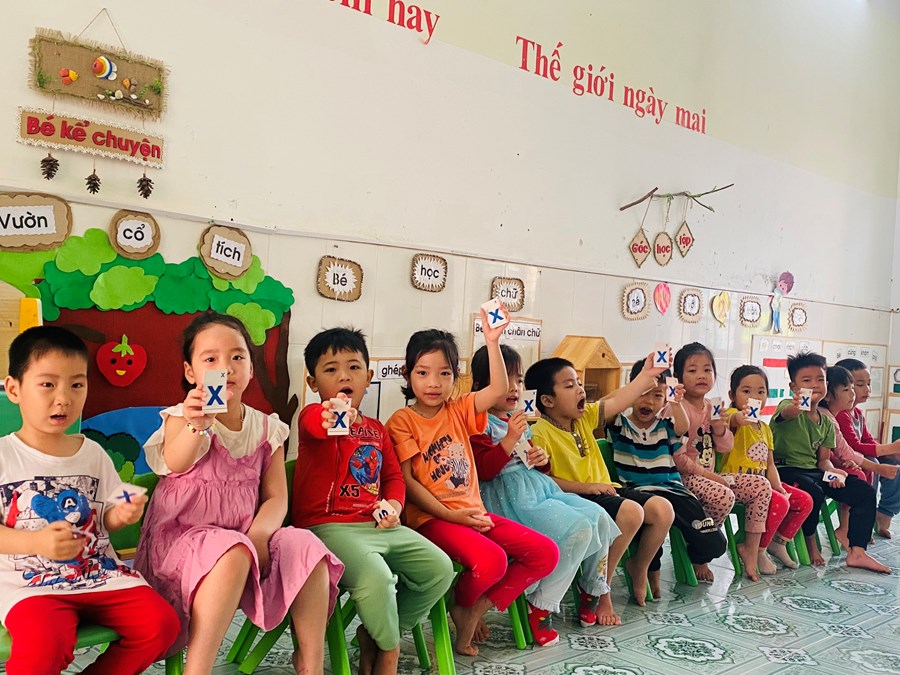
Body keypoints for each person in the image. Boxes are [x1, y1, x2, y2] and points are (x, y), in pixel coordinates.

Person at [135, 313, 343, 675]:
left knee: (306, 546)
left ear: (250, 368)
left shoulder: (267, 427)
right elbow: (174, 461)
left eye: (237, 357)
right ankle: (197, 670)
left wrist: (259, 534)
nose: (226, 367)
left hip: (246, 539)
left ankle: (310, 665)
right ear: (190, 372)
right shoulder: (181, 418)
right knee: (232, 551)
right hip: (182, 545)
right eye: (210, 359)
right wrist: (196, 426)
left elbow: (276, 496)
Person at [0, 326, 179, 675]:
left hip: (101, 574)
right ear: (14, 389)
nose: (63, 398)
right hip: (29, 586)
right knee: (43, 647)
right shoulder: (4, 455)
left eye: (76, 385)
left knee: (162, 625)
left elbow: (111, 506)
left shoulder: (92, 452)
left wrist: (122, 512)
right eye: (48, 384)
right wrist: (35, 542)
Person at [386, 309, 558, 657]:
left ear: (456, 376)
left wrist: (492, 341)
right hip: (432, 519)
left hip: (473, 513)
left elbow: (497, 389)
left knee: (545, 553)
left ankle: (472, 608)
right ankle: (460, 605)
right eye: (423, 373)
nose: (434, 383)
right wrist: (451, 516)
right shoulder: (402, 420)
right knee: (493, 560)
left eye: (444, 373)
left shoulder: (458, 409)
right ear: (407, 374)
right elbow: (407, 483)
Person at [294, 327, 453, 674]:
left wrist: (394, 507)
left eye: (353, 368)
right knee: (377, 578)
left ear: (368, 377)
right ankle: (390, 651)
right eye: (331, 369)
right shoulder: (311, 416)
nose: (344, 376)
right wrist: (332, 416)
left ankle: (376, 636)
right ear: (312, 382)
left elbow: (393, 478)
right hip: (326, 528)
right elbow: (317, 425)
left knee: (439, 569)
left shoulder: (377, 430)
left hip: (378, 525)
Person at [469, 344, 621, 641]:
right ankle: (540, 603)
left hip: (538, 488)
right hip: (510, 498)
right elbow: (485, 470)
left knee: (600, 517)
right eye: (505, 380)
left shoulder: (515, 418)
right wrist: (510, 439)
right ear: (482, 385)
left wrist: (541, 460)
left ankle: (591, 587)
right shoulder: (479, 422)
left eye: (518, 380)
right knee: (578, 528)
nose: (514, 388)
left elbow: (534, 465)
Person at [525, 354, 675, 606]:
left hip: (606, 491)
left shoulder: (584, 418)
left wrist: (646, 375)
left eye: (579, 382)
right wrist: (587, 487)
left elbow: (619, 400)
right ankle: (599, 587)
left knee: (663, 510)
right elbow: (545, 482)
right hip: (576, 499)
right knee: (632, 513)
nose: (580, 389)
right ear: (548, 400)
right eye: (569, 385)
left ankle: (638, 566)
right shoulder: (539, 433)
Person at [608, 362, 726, 589]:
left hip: (675, 491)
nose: (649, 401)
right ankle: (648, 568)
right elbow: (605, 406)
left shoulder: (665, 425)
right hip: (640, 493)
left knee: (715, 543)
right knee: (652, 522)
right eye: (643, 393)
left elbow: (683, 426)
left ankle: (694, 557)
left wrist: (676, 402)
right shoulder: (619, 424)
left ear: (665, 401)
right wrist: (635, 386)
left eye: (657, 395)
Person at [771, 352, 888, 573]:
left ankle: (857, 551)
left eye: (820, 379)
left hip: (814, 471)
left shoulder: (825, 421)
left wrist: (836, 474)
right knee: (813, 492)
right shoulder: (788, 406)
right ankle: (811, 543)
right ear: (793, 386)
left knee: (863, 491)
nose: (815, 384)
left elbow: (823, 461)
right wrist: (799, 405)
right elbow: (787, 414)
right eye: (807, 380)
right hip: (785, 470)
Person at [672, 342, 765, 582]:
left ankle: (750, 550)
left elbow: (725, 447)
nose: (701, 375)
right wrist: (711, 477)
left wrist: (720, 428)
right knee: (723, 495)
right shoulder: (678, 408)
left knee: (761, 487)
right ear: (678, 377)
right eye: (692, 370)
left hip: (711, 477)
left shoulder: (712, 406)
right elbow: (678, 458)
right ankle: (700, 552)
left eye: (707, 369)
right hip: (684, 479)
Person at [722, 366, 813, 574]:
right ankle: (757, 550)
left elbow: (770, 464)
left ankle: (777, 542)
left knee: (803, 500)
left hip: (763, 485)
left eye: (760, 391)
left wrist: (778, 486)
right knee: (780, 502)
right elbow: (733, 420)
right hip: (733, 483)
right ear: (732, 395)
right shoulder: (732, 416)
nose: (754, 397)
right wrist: (741, 417)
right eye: (746, 391)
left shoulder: (764, 429)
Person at [818, 365, 899, 550]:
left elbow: (859, 445)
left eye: (867, 384)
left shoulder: (853, 414)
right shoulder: (834, 417)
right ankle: (852, 526)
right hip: (826, 469)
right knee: (862, 472)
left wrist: (889, 452)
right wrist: (887, 452)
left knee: (887, 464)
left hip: (835, 464)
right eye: (852, 387)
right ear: (829, 394)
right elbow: (847, 450)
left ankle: (882, 514)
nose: (855, 393)